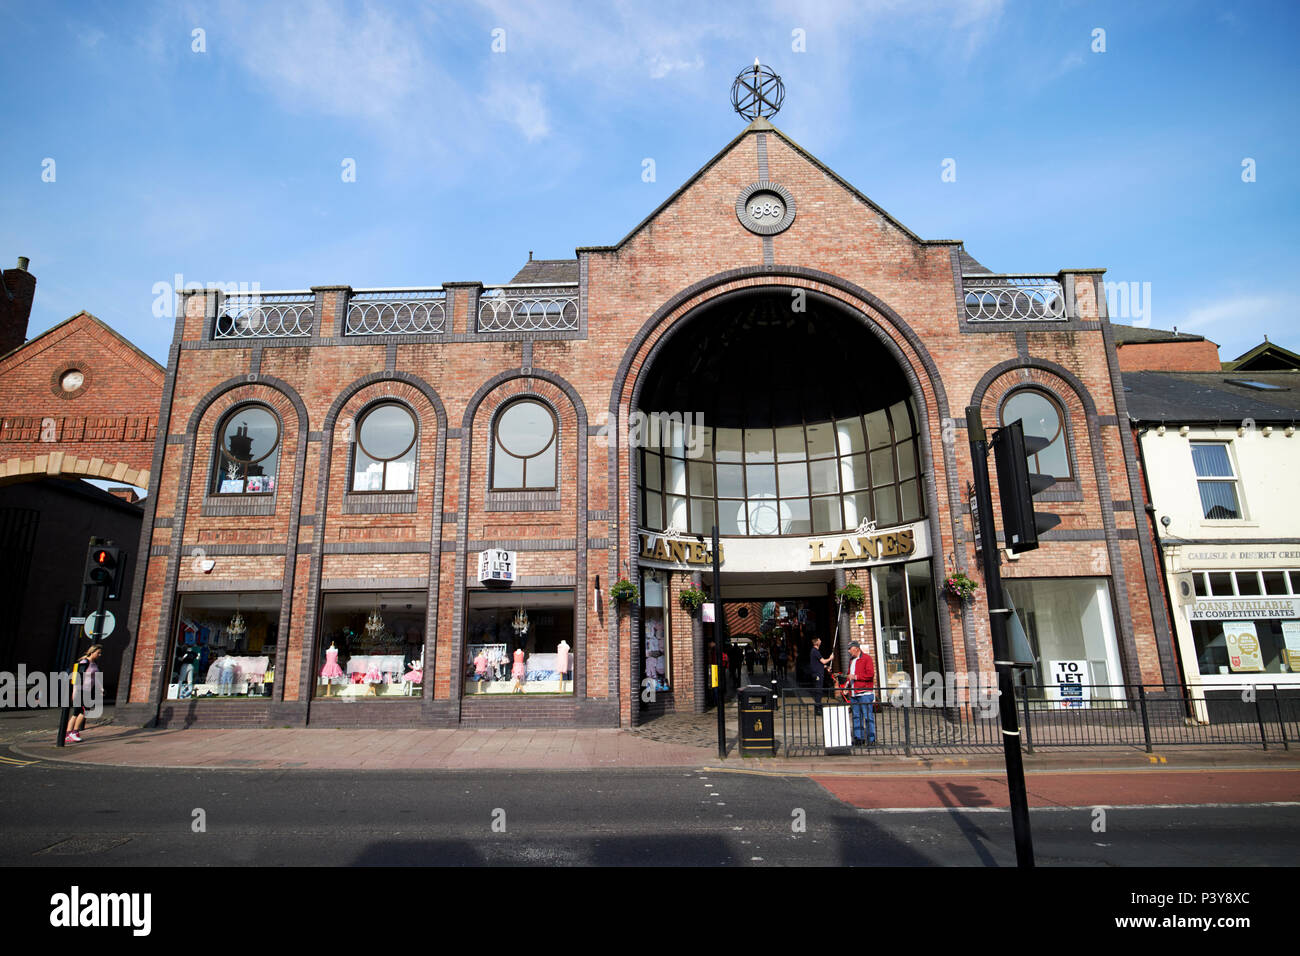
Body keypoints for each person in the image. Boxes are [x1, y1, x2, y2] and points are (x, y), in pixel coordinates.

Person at [65, 644, 103, 743]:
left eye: (100, 653)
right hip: (81, 690)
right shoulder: (84, 662)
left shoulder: (94, 664)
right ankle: (73, 733)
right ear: (92, 652)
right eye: (98, 653)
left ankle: (70, 733)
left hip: (88, 691)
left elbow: (95, 678)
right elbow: (77, 678)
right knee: (80, 712)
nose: (99, 655)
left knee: (80, 712)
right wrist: (74, 692)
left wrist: (100, 688)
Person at [846, 640, 876, 746]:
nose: (849, 651)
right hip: (854, 694)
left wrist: (856, 677)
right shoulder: (851, 660)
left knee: (868, 717)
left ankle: (871, 739)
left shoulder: (866, 658)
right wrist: (847, 686)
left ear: (856, 648)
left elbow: (870, 674)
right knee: (856, 717)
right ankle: (859, 738)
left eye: (850, 649)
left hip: (865, 693)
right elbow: (849, 675)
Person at [808, 637, 832, 710]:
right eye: (819, 640)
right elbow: (823, 661)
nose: (821, 641)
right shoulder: (815, 651)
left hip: (818, 673)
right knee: (818, 691)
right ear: (817, 643)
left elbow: (819, 664)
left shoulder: (815, 651)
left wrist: (826, 667)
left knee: (819, 690)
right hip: (817, 674)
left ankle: (818, 706)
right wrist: (830, 658)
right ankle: (818, 707)